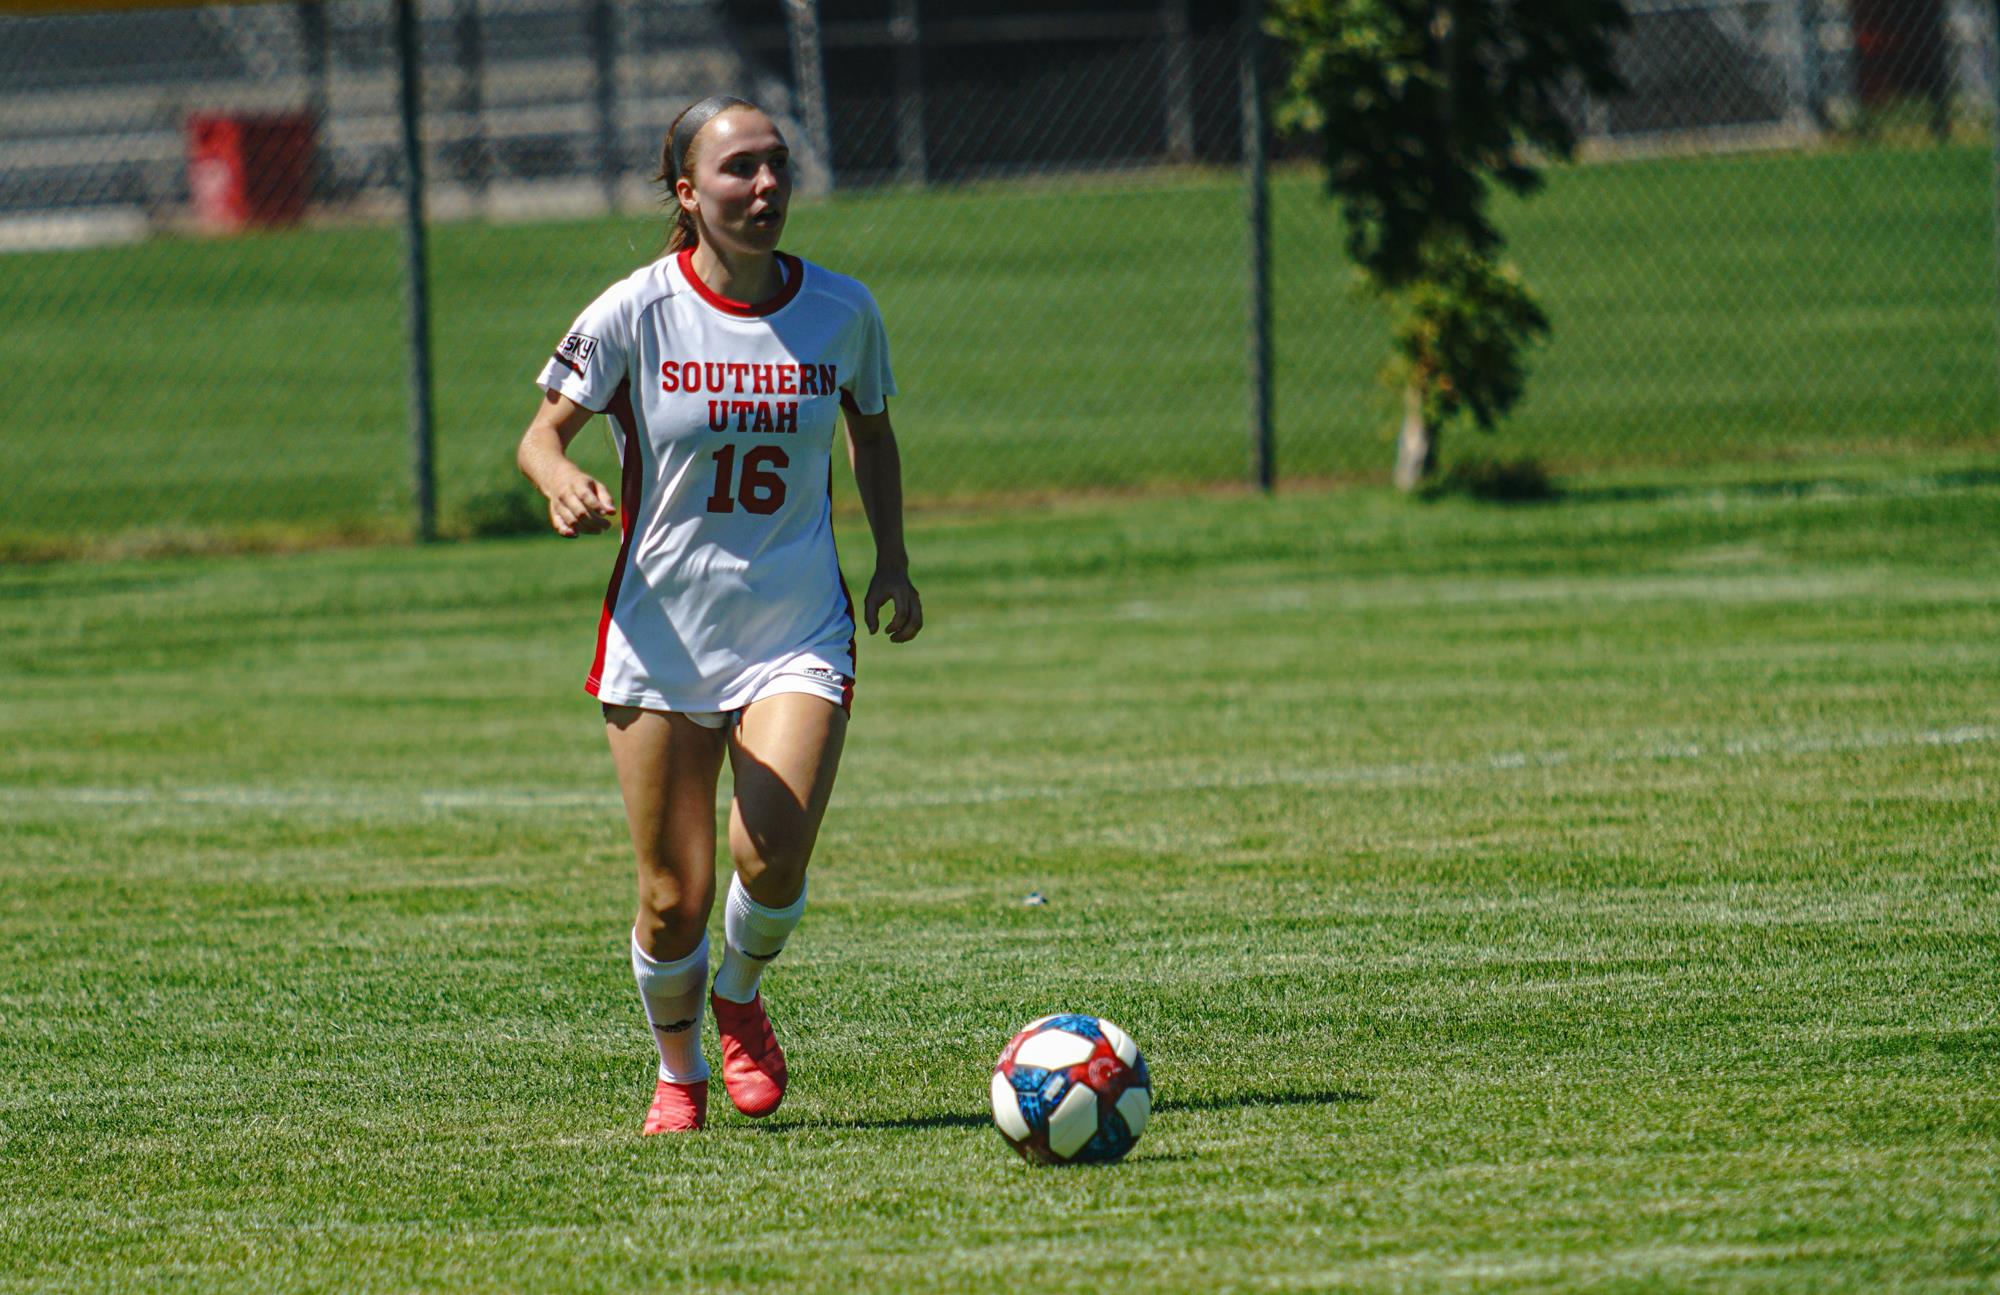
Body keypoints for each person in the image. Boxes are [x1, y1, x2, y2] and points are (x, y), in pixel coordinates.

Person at [515, 95, 922, 1134]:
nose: (767, 184)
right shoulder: (635, 310)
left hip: (794, 625)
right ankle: (680, 1069)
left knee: (771, 851)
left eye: (777, 163)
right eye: (740, 168)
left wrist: (892, 563)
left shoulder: (841, 310)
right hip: (660, 634)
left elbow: (872, 435)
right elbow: (540, 436)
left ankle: (738, 993)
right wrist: (560, 480)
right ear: (687, 192)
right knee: (671, 896)